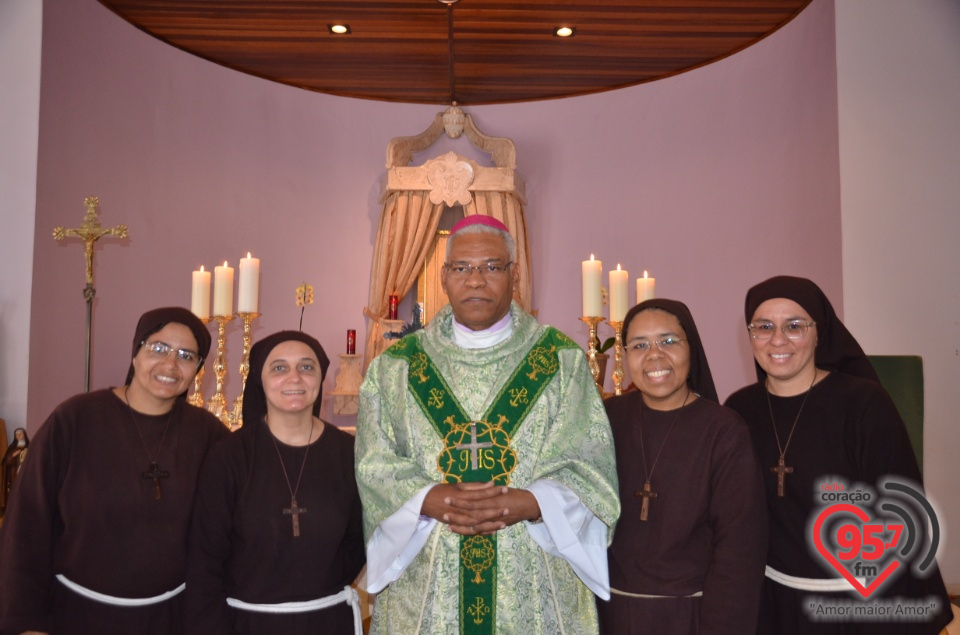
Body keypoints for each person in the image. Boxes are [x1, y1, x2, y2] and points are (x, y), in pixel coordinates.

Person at [355, 215, 620, 634]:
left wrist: (532, 504)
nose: (476, 280)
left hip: (532, 582)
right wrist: (428, 498)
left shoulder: (560, 361)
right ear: (444, 277)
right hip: (429, 578)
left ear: (513, 276)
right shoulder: (396, 366)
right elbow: (373, 463)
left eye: (492, 267)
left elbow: (590, 465)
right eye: (462, 268)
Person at [724, 276, 952, 635]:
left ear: (820, 332)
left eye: (795, 326)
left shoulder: (863, 404)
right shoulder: (739, 409)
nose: (777, 339)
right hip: (770, 603)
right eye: (763, 326)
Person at [0, 307, 228, 635]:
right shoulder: (75, 420)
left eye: (186, 356)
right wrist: (25, 622)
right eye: (158, 348)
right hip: (75, 616)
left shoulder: (208, 435)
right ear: (135, 353)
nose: (170, 365)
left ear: (198, 369)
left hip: (172, 619)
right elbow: (26, 525)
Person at [598, 299, 767, 635]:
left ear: (692, 348)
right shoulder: (607, 418)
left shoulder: (724, 431)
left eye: (669, 341)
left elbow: (739, 551)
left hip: (689, 617)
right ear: (625, 355)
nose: (654, 355)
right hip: (608, 614)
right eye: (640, 345)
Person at [186, 330, 365, 634]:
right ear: (260, 379)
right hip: (246, 624)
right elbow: (205, 563)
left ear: (321, 378)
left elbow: (358, 542)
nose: (294, 378)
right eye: (279, 367)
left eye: (306, 367)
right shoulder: (229, 457)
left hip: (327, 621)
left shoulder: (349, 453)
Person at [1, 428, 29, 515]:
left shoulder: (30, 446)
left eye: (21, 434)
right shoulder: (12, 447)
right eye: (17, 435)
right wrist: (13, 455)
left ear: (24, 435)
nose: (19, 436)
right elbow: (5, 463)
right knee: (14, 492)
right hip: (14, 475)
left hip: (25, 475)